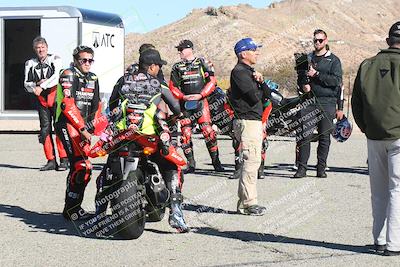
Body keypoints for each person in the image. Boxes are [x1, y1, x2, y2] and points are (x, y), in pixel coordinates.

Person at [95, 49, 189, 232]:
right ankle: (176, 214)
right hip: (148, 134)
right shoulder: (158, 84)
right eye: (159, 65)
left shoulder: (123, 80)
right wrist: (178, 116)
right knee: (171, 165)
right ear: (152, 66)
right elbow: (176, 106)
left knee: (109, 165)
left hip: (122, 134)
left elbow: (112, 105)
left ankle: (99, 212)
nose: (159, 69)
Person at [352, 21, 400, 256]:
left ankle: (379, 240)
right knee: (397, 190)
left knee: (378, 190)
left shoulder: (367, 65)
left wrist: (366, 128)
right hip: (398, 135)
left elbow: (356, 103)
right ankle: (394, 244)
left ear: (388, 41)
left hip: (374, 136)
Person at [54, 45, 101, 220]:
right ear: (76, 60)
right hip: (67, 124)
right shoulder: (68, 74)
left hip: (84, 129)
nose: (87, 63)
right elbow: (67, 105)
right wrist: (82, 129)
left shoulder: (93, 77)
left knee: (83, 168)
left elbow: (96, 106)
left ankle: (73, 207)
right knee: (81, 166)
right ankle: (71, 210)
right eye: (84, 60)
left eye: (90, 60)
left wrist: (94, 129)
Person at [293, 29, 343, 179]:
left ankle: (321, 168)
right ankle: (301, 169)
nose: (317, 43)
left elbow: (336, 82)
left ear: (326, 41)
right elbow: (300, 77)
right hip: (309, 102)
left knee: (324, 137)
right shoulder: (307, 58)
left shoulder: (334, 60)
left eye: (320, 40)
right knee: (304, 135)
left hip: (327, 102)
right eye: (315, 40)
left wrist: (317, 75)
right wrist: (303, 85)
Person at [169, 39, 224, 173]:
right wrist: (182, 96)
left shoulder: (203, 62)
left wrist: (201, 94)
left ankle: (216, 163)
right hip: (185, 103)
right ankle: (191, 164)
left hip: (201, 102)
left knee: (208, 132)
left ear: (189, 49)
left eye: (181, 49)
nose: (179, 52)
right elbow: (172, 86)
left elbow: (212, 81)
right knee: (185, 134)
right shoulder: (177, 67)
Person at [228, 37, 267, 216]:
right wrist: (258, 85)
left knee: (253, 161)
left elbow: (266, 94)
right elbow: (255, 97)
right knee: (251, 162)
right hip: (247, 120)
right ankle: (248, 203)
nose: (257, 53)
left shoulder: (250, 72)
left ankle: (245, 202)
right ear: (243, 53)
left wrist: (261, 81)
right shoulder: (239, 72)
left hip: (254, 121)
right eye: (253, 50)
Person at [24, 36, 68, 171]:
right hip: (41, 100)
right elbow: (26, 83)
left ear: (47, 48)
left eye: (42, 47)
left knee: (60, 127)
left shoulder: (55, 58)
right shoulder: (29, 63)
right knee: (44, 130)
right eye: (38, 48)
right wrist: (36, 86)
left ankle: (64, 160)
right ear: (34, 50)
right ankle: (50, 160)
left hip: (56, 97)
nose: (40, 50)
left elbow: (56, 77)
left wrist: (42, 86)